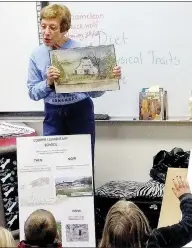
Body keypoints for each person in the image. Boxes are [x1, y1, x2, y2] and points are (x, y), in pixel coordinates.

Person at [27, 4, 122, 161]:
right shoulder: (37, 55)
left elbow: (95, 92)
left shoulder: (81, 50)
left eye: (52, 27)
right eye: (43, 26)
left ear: (64, 29)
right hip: (53, 115)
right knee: (54, 164)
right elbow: (32, 92)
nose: (46, 32)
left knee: (82, 163)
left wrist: (108, 78)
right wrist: (48, 82)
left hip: (80, 112)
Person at [99, 176, 192, 248]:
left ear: (106, 233)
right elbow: (191, 224)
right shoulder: (156, 240)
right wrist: (185, 196)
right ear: (143, 222)